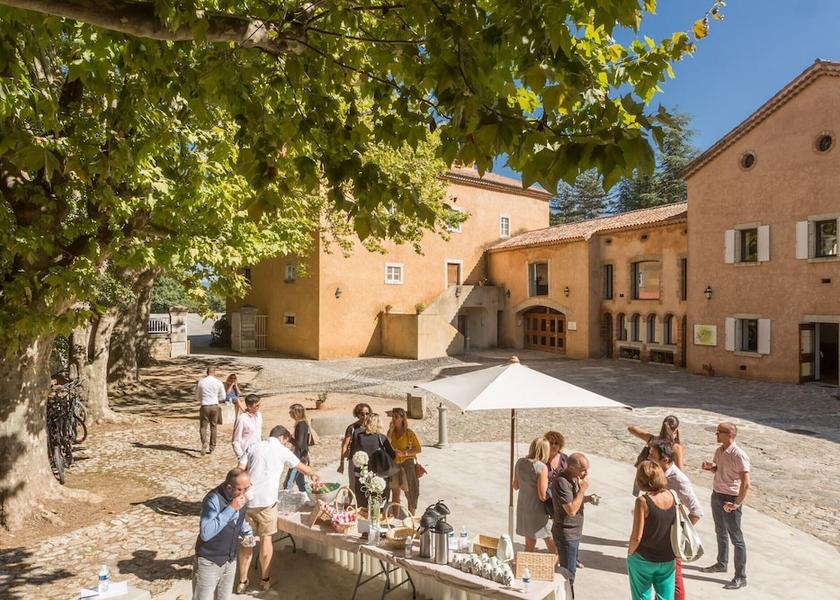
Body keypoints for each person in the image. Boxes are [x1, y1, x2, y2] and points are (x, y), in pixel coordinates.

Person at [237, 425, 320, 592]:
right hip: (267, 502)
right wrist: (314, 473)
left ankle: (242, 582)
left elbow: (239, 470)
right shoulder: (282, 450)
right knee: (265, 539)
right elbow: (303, 469)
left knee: (247, 542)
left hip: (247, 501)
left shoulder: (253, 446)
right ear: (284, 438)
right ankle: (265, 580)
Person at [649, 438, 703, 600]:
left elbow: (697, 511)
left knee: (674, 580)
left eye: (652, 456)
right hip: (658, 535)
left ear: (665, 460)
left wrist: (678, 533)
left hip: (670, 538)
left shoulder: (679, 479)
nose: (649, 458)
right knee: (661, 579)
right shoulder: (660, 474)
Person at [700, 422, 751, 590]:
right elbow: (719, 469)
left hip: (730, 499)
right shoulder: (719, 451)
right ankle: (721, 563)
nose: (716, 434)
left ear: (729, 434)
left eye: (719, 432)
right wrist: (711, 468)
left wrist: (736, 504)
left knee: (736, 538)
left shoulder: (739, 455)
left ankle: (740, 577)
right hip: (717, 495)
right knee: (720, 531)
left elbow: (746, 483)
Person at [192, 468, 253, 600]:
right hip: (209, 561)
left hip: (230, 560)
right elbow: (205, 533)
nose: (245, 492)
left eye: (247, 488)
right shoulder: (212, 499)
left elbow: (239, 519)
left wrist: (247, 532)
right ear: (229, 487)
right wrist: (231, 508)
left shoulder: (240, 496)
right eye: (241, 489)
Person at [627, 461, 677, 600]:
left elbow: (637, 535)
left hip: (644, 557)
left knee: (641, 596)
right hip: (667, 557)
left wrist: (630, 552)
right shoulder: (672, 495)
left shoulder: (642, 501)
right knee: (666, 596)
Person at [551, 452, 596, 597]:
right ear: (571, 467)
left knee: (570, 571)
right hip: (566, 534)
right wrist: (583, 490)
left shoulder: (575, 478)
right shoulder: (562, 482)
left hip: (574, 533)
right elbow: (571, 510)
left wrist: (588, 498)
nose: (586, 473)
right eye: (583, 469)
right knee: (568, 574)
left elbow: (574, 500)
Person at [513, 436, 557, 555]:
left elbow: (515, 486)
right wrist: (553, 492)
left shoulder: (520, 462)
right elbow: (542, 496)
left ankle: (525, 567)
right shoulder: (542, 467)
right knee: (551, 540)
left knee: (529, 543)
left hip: (523, 507)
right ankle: (556, 566)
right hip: (537, 510)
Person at [352, 412, 396, 508]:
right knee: (378, 505)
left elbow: (354, 453)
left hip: (362, 475)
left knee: (362, 504)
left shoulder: (359, 436)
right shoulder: (382, 438)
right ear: (378, 423)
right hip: (378, 476)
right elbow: (392, 455)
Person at [387, 407, 422, 514]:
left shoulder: (409, 433)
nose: (393, 419)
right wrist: (389, 432)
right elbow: (386, 445)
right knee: (395, 493)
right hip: (394, 465)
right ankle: (395, 519)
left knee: (409, 493)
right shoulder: (391, 432)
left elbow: (418, 449)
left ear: (403, 419)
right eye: (393, 416)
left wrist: (404, 453)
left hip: (407, 466)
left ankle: (411, 520)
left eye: (396, 417)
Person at [338, 402, 371, 490]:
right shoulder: (352, 428)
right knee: (353, 485)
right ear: (358, 414)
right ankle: (352, 503)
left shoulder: (371, 427)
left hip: (368, 461)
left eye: (367, 414)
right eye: (362, 414)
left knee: (367, 486)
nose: (365, 416)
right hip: (354, 461)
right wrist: (341, 464)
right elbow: (344, 446)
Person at [196, 366, 226, 454]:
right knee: (213, 426)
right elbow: (223, 396)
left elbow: (197, 396)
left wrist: (202, 399)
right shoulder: (218, 382)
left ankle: (204, 441)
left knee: (203, 426)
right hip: (214, 405)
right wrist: (217, 399)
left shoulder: (201, 382)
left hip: (205, 405)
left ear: (207, 372)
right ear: (214, 372)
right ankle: (212, 447)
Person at [284, 403, 310, 491]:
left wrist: (289, 438)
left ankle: (285, 498)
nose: (289, 413)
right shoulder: (302, 423)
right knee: (300, 481)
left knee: (288, 482)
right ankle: (307, 498)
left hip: (298, 457)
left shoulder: (301, 425)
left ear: (296, 412)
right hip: (301, 455)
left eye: (291, 411)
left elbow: (299, 443)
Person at [231, 394, 263, 461]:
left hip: (259, 453)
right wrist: (241, 457)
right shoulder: (242, 419)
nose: (259, 407)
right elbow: (236, 441)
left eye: (259, 405)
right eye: (257, 405)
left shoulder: (259, 415)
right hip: (247, 455)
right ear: (249, 406)